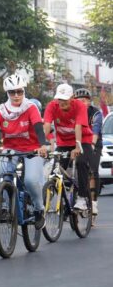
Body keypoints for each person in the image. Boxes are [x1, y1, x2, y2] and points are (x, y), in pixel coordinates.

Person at [0, 74, 50, 229]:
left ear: (24, 91)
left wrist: (42, 145)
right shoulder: (1, 111)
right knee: (2, 176)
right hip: (11, 149)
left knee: (30, 180)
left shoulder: (30, 107)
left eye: (19, 92)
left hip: (33, 149)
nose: (16, 96)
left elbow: (38, 127)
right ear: (7, 94)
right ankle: (4, 208)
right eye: (12, 92)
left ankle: (39, 209)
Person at [43, 83, 94, 212]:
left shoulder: (79, 106)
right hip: (63, 143)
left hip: (83, 140)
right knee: (55, 168)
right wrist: (41, 144)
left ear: (72, 97)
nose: (62, 102)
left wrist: (77, 146)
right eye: (60, 99)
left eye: (65, 99)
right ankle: (57, 195)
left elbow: (78, 126)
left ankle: (82, 198)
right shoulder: (51, 106)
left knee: (81, 162)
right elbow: (47, 126)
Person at [74, 88, 102, 215]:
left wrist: (92, 144)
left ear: (89, 102)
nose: (81, 103)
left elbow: (95, 131)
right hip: (77, 143)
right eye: (78, 101)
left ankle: (94, 202)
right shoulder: (72, 112)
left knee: (93, 170)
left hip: (93, 143)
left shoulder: (96, 113)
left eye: (84, 101)